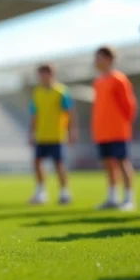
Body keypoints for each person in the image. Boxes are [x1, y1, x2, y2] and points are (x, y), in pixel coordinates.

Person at [91, 46, 138, 211]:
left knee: (122, 163)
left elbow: (129, 106)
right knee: (108, 164)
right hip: (102, 132)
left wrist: (123, 124)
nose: (96, 61)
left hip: (118, 131)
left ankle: (129, 198)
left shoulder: (119, 79)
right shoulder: (98, 81)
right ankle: (112, 198)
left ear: (109, 59)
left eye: (99, 57)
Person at [28, 64, 78, 205]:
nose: (42, 77)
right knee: (37, 163)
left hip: (57, 135)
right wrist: (31, 133)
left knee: (59, 165)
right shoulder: (37, 92)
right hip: (41, 135)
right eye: (40, 74)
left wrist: (72, 130)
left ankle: (64, 192)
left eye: (45, 74)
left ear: (52, 74)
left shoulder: (61, 92)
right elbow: (34, 114)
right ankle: (41, 192)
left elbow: (70, 112)